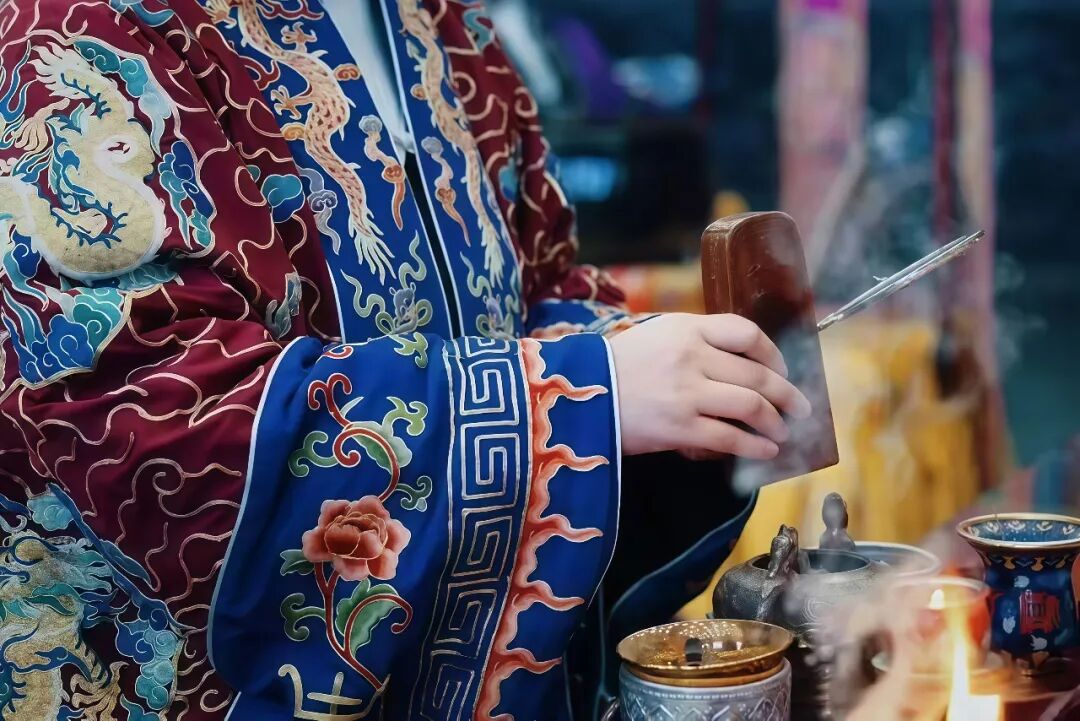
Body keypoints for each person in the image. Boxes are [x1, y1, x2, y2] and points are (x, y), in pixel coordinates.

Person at [0, 0, 810, 718]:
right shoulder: (73, 34)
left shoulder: (442, 22)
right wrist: (579, 397)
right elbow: (144, 416)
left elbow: (533, 285)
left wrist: (668, 372)